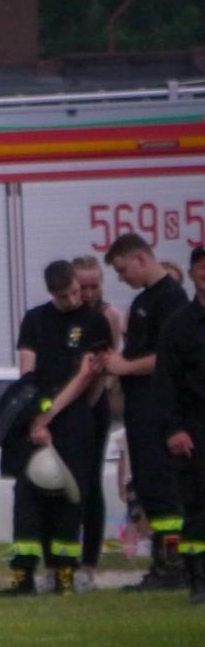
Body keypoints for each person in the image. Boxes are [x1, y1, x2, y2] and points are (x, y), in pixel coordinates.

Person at [0, 261, 110, 596]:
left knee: (69, 496)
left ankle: (64, 575)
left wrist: (51, 414)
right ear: (51, 292)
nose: (74, 299)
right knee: (27, 494)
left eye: (76, 291)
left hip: (73, 418)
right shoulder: (35, 320)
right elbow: (27, 375)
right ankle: (23, 576)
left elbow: (86, 376)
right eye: (65, 296)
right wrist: (37, 416)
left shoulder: (93, 320)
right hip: (35, 415)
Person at [103, 234, 189, 590]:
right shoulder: (143, 302)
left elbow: (166, 358)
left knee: (163, 488)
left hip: (158, 410)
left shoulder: (171, 299)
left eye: (123, 269)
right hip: (140, 410)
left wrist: (123, 367)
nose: (121, 278)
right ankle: (160, 564)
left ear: (141, 258)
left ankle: (173, 566)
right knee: (149, 488)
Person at [155, 245, 205, 603]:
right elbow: (166, 384)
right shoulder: (179, 327)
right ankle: (198, 579)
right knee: (198, 509)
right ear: (191, 274)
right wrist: (174, 430)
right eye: (201, 268)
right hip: (194, 431)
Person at [70, 254, 123, 588]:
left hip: (94, 402)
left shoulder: (108, 315)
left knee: (90, 482)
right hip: (67, 401)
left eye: (94, 286)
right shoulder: (66, 315)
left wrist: (84, 407)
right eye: (83, 286)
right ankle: (64, 555)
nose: (89, 293)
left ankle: (89, 561)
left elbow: (106, 366)